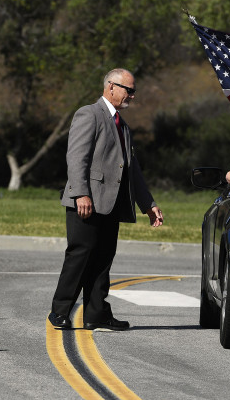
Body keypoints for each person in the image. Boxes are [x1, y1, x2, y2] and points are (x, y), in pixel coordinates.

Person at [48, 68, 164, 331]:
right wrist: (81, 193)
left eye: (133, 91)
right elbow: (77, 157)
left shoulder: (122, 125)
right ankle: (59, 312)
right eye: (129, 90)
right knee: (80, 255)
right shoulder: (89, 114)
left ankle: (96, 314)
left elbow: (131, 168)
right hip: (86, 200)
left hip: (112, 203)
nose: (132, 96)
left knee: (103, 260)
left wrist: (148, 204)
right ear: (111, 87)